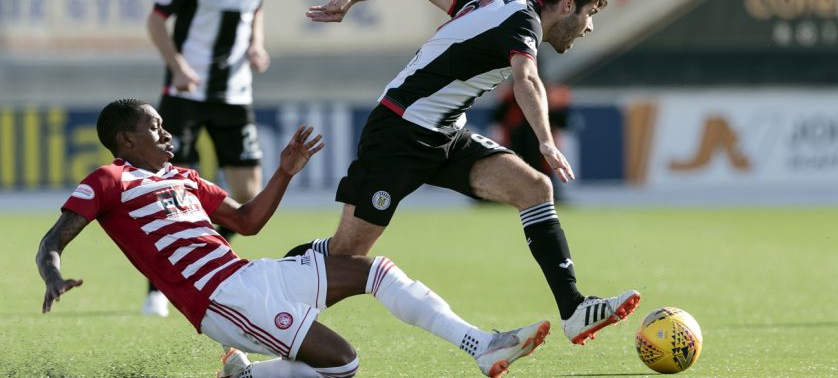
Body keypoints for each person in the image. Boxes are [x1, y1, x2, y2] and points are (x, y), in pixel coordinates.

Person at [35, 99, 550, 378]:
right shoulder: (109, 180)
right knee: (344, 364)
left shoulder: (187, 177)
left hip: (250, 274)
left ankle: (480, 345)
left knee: (377, 270)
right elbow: (52, 239)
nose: (168, 135)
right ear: (127, 140)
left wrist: (284, 172)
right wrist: (53, 275)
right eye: (156, 128)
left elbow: (249, 223)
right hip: (219, 300)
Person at [291, 0, 641, 345]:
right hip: (399, 133)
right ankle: (257, 298)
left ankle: (573, 309)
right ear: (568, 4)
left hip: (444, 135)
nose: (589, 26)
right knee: (345, 255)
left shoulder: (496, 4)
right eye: (590, 14)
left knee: (535, 188)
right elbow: (526, 79)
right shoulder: (522, 21)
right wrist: (545, 140)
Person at [144, 0, 274, 316]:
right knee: (174, 194)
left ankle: (200, 260)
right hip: (185, 95)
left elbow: (255, 7)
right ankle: (156, 288)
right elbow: (155, 22)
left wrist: (256, 44)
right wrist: (179, 67)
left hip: (235, 95)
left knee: (248, 197)